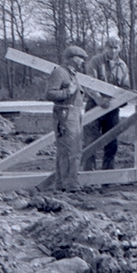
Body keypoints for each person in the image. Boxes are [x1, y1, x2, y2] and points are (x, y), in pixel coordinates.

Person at [85, 36, 131, 170]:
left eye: (116, 47)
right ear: (105, 48)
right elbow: (89, 83)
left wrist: (122, 99)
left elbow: (125, 86)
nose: (113, 50)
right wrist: (99, 99)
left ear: (120, 48)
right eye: (110, 47)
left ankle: (108, 173)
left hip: (113, 107)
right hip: (94, 104)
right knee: (90, 141)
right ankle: (89, 174)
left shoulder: (122, 66)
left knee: (111, 141)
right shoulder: (96, 61)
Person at [45, 45, 87, 190]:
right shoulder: (60, 73)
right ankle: (70, 185)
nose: (83, 62)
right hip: (65, 114)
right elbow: (50, 94)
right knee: (71, 150)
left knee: (68, 150)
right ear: (74, 59)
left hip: (73, 114)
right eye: (81, 58)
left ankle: (61, 184)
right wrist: (68, 92)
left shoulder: (71, 74)